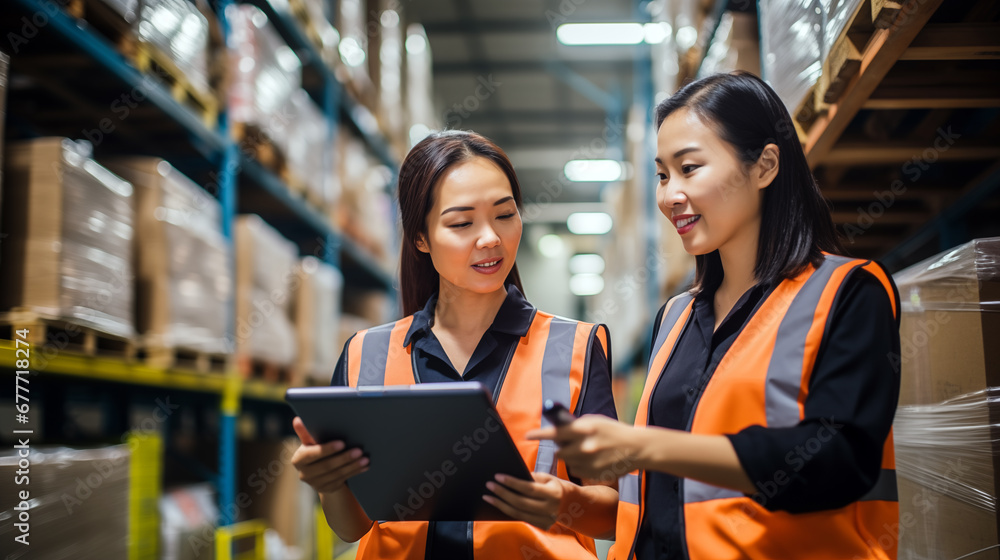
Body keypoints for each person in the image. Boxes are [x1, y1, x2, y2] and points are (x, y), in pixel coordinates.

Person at [529, 71, 901, 559]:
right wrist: (569, 500)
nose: (668, 196)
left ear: (765, 166)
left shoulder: (847, 292)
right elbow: (659, 502)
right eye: (662, 175)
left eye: (689, 168)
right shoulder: (676, 317)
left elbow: (838, 461)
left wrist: (645, 446)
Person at [291, 130, 619, 559]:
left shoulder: (574, 346)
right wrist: (331, 484)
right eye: (462, 223)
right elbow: (353, 528)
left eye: (505, 214)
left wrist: (561, 503)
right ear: (421, 239)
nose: (490, 238)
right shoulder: (364, 356)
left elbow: (617, 512)